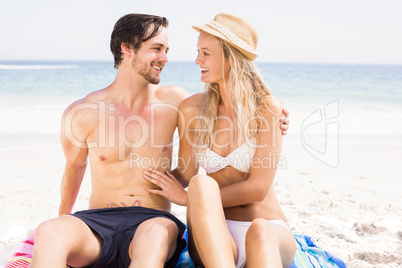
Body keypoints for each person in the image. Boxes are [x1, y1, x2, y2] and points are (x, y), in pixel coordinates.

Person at [30, 13, 190, 268]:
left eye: (167, 50)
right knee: (50, 231)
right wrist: (65, 220)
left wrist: (273, 115)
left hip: (153, 220)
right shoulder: (83, 111)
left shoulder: (175, 101)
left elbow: (224, 115)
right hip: (98, 223)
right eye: (157, 49)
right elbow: (74, 168)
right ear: (127, 48)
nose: (165, 58)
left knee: (154, 238)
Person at [144, 13, 296, 268]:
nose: (197, 60)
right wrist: (135, 182)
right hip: (214, 236)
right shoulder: (192, 109)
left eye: (205, 53)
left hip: (267, 230)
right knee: (201, 184)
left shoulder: (267, 109)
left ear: (230, 57)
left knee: (260, 230)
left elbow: (258, 189)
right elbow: (185, 173)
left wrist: (186, 199)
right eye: (198, 51)